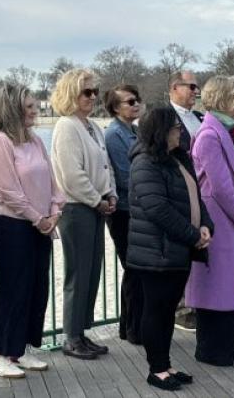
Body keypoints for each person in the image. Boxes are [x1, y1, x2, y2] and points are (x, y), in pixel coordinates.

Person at [127, 107, 213, 392]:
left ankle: (166, 364)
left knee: (166, 312)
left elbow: (195, 198)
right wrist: (192, 235)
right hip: (155, 252)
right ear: (162, 131)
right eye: (176, 126)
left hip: (176, 250)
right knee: (156, 310)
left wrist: (206, 227)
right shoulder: (145, 162)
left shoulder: (177, 158)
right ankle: (157, 368)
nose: (180, 130)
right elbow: (157, 209)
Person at [0, 83, 63, 380]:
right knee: (12, 288)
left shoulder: (35, 140)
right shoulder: (0, 142)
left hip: (41, 223)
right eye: (29, 106)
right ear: (13, 109)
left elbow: (52, 180)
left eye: (34, 106)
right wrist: (37, 218)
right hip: (11, 224)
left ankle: (20, 348)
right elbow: (8, 191)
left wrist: (55, 210)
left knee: (35, 287)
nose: (35, 111)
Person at [185, 75, 234, 366]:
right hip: (218, 219)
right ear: (223, 98)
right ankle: (212, 348)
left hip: (232, 218)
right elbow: (221, 186)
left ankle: (227, 343)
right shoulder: (209, 136)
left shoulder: (230, 132)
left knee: (230, 284)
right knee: (217, 285)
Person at [50, 68, 116, 360]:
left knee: (92, 270)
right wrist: (96, 199)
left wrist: (111, 192)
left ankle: (81, 331)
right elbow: (71, 174)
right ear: (70, 94)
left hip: (95, 206)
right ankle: (71, 335)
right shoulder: (66, 126)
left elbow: (105, 166)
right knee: (78, 272)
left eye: (94, 92)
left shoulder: (92, 126)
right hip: (77, 208)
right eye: (86, 92)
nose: (92, 97)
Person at [103, 84, 143, 344]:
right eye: (130, 101)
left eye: (137, 100)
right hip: (124, 210)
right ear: (116, 108)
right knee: (132, 266)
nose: (136, 104)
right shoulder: (115, 134)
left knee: (137, 268)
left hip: (138, 208)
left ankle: (131, 325)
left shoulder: (136, 130)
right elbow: (125, 173)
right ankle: (130, 327)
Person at [168, 69, 204, 331]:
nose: (195, 92)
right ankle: (180, 307)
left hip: (201, 192)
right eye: (190, 87)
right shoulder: (166, 117)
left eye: (196, 87)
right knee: (180, 250)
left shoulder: (199, 118)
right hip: (180, 191)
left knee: (199, 248)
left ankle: (195, 302)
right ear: (174, 88)